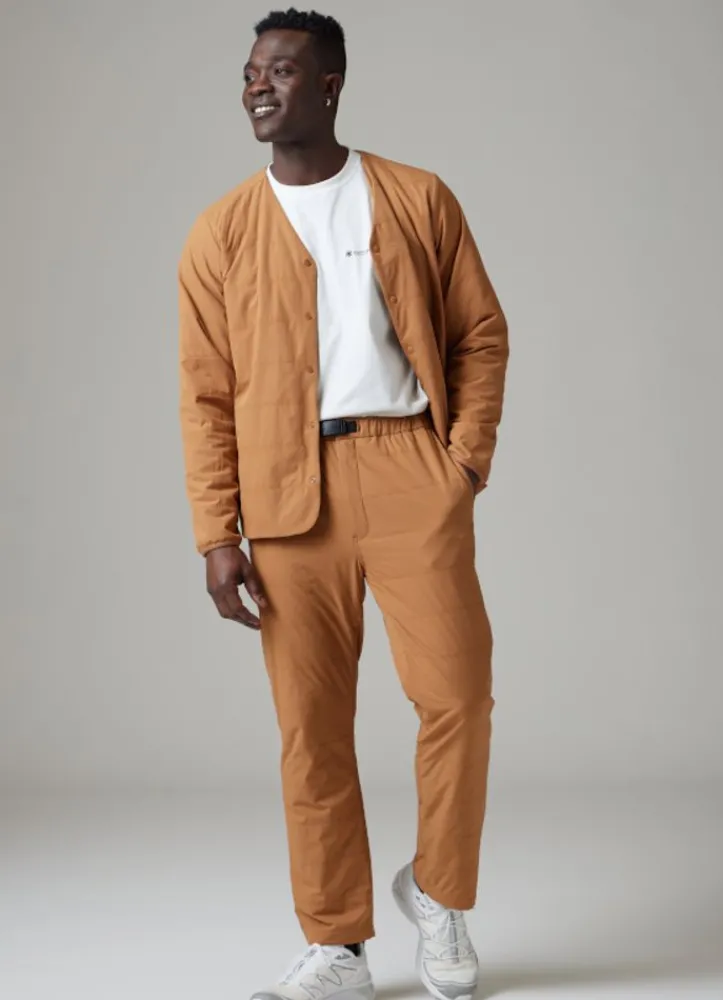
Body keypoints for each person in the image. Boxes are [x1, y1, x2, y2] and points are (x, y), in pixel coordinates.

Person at [177, 8, 509, 1000]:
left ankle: (440, 895)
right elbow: (203, 394)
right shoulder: (221, 232)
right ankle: (338, 947)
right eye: (250, 72)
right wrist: (216, 532)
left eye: (280, 70)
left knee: (456, 697)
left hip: (411, 470)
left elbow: (479, 334)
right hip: (285, 500)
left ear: (329, 85)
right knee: (310, 727)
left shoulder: (414, 197)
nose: (257, 85)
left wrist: (462, 464)